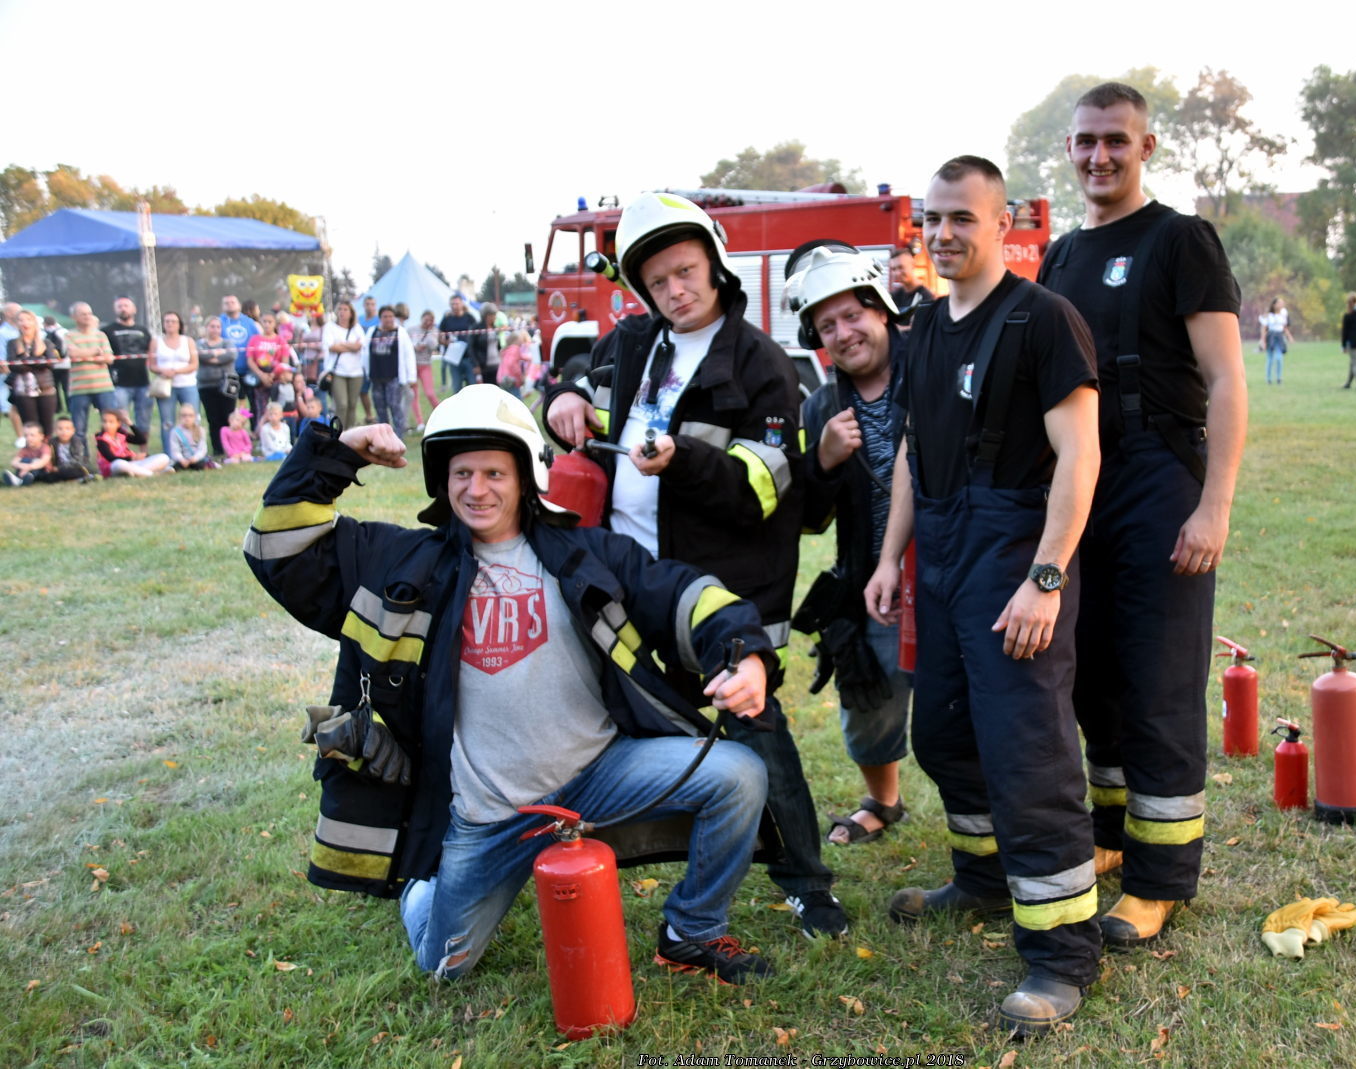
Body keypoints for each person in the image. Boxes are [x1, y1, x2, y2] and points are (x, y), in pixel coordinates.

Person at [244, 384, 780, 983]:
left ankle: (692, 932)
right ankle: (423, 884)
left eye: (494, 473)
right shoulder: (398, 563)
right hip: (489, 815)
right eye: (462, 473)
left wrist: (747, 658)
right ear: (441, 481)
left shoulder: (587, 555)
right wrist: (340, 452)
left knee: (737, 774)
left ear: (526, 478)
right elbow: (275, 547)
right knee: (443, 965)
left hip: (598, 775)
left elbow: (685, 593)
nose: (477, 490)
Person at [543, 192, 844, 941]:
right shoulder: (630, 343)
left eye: (686, 272)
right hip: (630, 577)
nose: (676, 291)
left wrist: (682, 460)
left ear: (714, 264)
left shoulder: (761, 363)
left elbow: (762, 490)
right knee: (637, 720)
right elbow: (584, 396)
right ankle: (643, 858)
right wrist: (563, 399)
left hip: (724, 590)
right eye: (658, 281)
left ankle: (809, 886)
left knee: (753, 726)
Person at [861, 157, 1101, 1038]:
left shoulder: (1044, 320)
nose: (944, 233)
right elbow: (911, 455)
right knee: (944, 731)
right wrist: (891, 559)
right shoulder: (923, 325)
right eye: (933, 218)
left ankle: (1063, 953)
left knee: (1026, 750)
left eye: (963, 217)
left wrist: (1047, 576)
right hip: (941, 555)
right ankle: (983, 878)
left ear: (1003, 225)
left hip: (1013, 557)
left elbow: (1081, 455)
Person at [1037, 82, 1247, 955]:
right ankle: (1113, 832)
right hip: (1082, 481)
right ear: (1070, 148)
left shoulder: (1180, 239)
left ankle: (1161, 878)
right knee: (1091, 676)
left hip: (1162, 477)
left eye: (1116, 140)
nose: (1100, 155)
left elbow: (1226, 378)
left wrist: (1213, 505)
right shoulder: (1058, 257)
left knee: (1160, 681)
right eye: (1086, 140)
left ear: (1146, 146)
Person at [785, 243, 914, 846]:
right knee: (867, 695)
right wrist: (823, 460)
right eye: (828, 325)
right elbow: (810, 519)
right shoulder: (819, 407)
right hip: (870, 580)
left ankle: (988, 806)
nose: (843, 333)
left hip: (949, 564)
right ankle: (882, 802)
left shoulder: (930, 366)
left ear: (881, 309)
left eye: (852, 315)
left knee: (969, 699)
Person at [65, 303, 119, 437]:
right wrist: (96, 351)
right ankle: (80, 451)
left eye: (89, 313)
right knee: (79, 428)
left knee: (110, 425)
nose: (87, 316)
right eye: (83, 314)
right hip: (79, 389)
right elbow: (72, 354)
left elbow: (109, 358)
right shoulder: (69, 335)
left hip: (104, 387)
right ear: (74, 317)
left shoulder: (101, 335)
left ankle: (109, 449)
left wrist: (83, 355)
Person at [362, 305, 417, 435]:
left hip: (394, 376)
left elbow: (409, 354)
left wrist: (411, 377)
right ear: (380, 318)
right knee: (380, 408)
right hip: (376, 376)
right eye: (385, 316)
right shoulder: (372, 331)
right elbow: (365, 351)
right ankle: (385, 435)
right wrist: (365, 370)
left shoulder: (400, 332)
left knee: (395, 406)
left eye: (391, 316)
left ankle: (398, 435)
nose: (388, 319)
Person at [149, 310, 201, 447]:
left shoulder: (188, 341)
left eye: (173, 321)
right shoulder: (156, 342)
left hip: (187, 385)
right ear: (163, 324)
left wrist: (176, 371)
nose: (170, 324)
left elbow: (194, 364)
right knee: (167, 421)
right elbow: (152, 365)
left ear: (179, 324)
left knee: (193, 418)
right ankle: (170, 453)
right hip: (166, 387)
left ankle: (195, 450)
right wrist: (163, 371)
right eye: (167, 321)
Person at [3, 309, 62, 431]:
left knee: (48, 428)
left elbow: (51, 363)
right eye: (21, 320)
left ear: (34, 323)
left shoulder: (46, 343)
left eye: (28, 320)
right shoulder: (13, 344)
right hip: (23, 391)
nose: (25, 323)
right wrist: (38, 360)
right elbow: (13, 366)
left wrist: (25, 360)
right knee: (31, 427)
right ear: (17, 324)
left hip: (46, 389)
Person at [105, 297, 154, 433]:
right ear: (115, 309)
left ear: (134, 309)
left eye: (126, 305)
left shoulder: (143, 330)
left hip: (143, 383)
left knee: (144, 420)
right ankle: (121, 445)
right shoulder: (107, 331)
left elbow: (151, 351)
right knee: (120, 421)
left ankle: (143, 446)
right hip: (119, 384)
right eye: (119, 306)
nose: (123, 309)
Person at [195, 317, 239, 455]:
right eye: (212, 326)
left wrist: (211, 356)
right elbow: (201, 356)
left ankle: (231, 447)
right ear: (206, 328)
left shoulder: (228, 342)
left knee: (229, 417)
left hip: (228, 384)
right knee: (213, 419)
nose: (215, 329)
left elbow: (231, 355)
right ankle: (218, 449)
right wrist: (218, 354)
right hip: (207, 386)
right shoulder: (200, 344)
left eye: (218, 327)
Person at [245, 312, 296, 427]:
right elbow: (250, 360)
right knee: (260, 408)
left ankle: (278, 430)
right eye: (264, 321)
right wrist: (261, 375)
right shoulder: (254, 339)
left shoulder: (280, 340)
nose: (267, 324)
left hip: (277, 378)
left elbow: (284, 362)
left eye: (270, 322)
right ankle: (260, 431)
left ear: (275, 324)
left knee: (277, 408)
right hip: (259, 377)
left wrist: (273, 375)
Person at [323, 300, 367, 428]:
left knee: (352, 405)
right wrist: (351, 346)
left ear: (351, 313)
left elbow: (359, 346)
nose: (342, 312)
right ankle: (339, 433)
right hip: (338, 371)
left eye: (345, 309)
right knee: (342, 404)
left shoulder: (357, 328)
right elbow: (332, 347)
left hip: (356, 372)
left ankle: (349, 432)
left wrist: (342, 344)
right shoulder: (330, 327)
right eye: (340, 309)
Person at [95, 409, 169, 477]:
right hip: (113, 467)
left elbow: (142, 440)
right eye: (104, 422)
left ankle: (136, 473)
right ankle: (152, 474)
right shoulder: (101, 439)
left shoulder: (121, 435)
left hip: (131, 464)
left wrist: (130, 423)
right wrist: (132, 458)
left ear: (118, 424)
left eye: (111, 422)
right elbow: (111, 458)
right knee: (119, 464)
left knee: (164, 457)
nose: (107, 425)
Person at [438, 295, 478, 396]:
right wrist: (446, 342)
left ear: (461, 304)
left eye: (456, 304)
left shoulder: (469, 317)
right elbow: (439, 338)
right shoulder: (447, 319)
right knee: (457, 389)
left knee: (473, 388)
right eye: (452, 304)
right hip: (454, 360)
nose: (454, 306)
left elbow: (477, 335)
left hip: (469, 358)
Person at [40, 415, 95, 482]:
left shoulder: (76, 442)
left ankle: (80, 477)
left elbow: (77, 460)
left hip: (74, 467)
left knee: (77, 471)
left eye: (67, 429)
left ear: (73, 431)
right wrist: (49, 465)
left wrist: (59, 468)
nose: (64, 432)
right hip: (58, 469)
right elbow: (47, 455)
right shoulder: (52, 442)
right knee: (48, 477)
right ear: (55, 431)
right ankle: (69, 478)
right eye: (60, 429)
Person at [410, 309, 441, 422]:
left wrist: (430, 332)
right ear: (421, 318)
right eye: (426, 319)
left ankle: (441, 414)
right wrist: (415, 347)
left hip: (425, 365)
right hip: (413, 366)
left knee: (430, 393)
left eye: (430, 320)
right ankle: (419, 421)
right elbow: (407, 345)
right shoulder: (412, 329)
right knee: (413, 395)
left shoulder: (434, 331)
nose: (427, 322)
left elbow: (434, 346)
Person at [888, 247, 936, 316]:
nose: (897, 273)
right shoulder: (895, 296)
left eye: (901, 267)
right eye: (893, 269)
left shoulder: (926, 297)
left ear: (913, 265)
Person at [167, 403, 212, 471]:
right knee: (175, 465)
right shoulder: (175, 432)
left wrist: (195, 458)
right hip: (182, 460)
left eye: (190, 416)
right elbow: (175, 450)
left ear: (195, 417)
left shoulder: (200, 430)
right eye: (184, 416)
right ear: (179, 417)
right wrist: (181, 459)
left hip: (196, 459)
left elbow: (202, 449)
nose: (187, 418)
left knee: (201, 464)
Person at [3, 421, 50, 486]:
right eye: (26, 435)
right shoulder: (25, 449)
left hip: (41, 472)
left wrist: (29, 467)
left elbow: (43, 461)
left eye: (32, 435)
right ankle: (19, 479)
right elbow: (14, 462)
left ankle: (20, 479)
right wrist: (23, 466)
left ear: (41, 437)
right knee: (24, 460)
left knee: (36, 461)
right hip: (25, 471)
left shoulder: (44, 447)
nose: (28, 438)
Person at [0, 302, 19, 446]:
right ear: (7, 313)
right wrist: (5, 367)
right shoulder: (3, 332)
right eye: (16, 311)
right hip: (7, 371)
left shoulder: (21, 329)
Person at [1259, 297, 1291, 384]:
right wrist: (1263, 341)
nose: (1281, 304)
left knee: (1279, 358)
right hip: (1271, 337)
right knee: (1270, 359)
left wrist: (1289, 336)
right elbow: (1264, 328)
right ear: (1274, 305)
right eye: (1279, 303)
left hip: (1279, 337)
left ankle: (1279, 378)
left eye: (1282, 303)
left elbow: (1284, 327)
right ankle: (1268, 379)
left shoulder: (1284, 313)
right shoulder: (1269, 315)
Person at [496, 330, 532, 396]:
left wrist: (529, 358)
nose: (522, 342)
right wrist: (520, 378)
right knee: (517, 399)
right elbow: (512, 364)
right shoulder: (515, 349)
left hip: (502, 378)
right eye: (520, 340)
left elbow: (519, 357)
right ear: (516, 340)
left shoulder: (507, 349)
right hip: (511, 379)